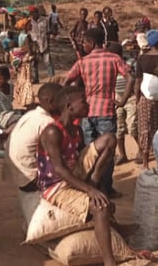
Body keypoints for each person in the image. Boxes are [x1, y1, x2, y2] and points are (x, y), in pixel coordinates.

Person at [37, 86, 119, 266]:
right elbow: (59, 169)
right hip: (56, 186)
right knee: (102, 208)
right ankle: (109, 262)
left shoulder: (77, 131)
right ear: (69, 106)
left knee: (110, 139)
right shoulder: (52, 132)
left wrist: (92, 183)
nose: (87, 104)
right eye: (83, 100)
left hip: (73, 173)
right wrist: (90, 190)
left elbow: (81, 157)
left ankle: (94, 181)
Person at [65, 28, 130, 198]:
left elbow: (67, 80)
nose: (83, 45)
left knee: (90, 151)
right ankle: (105, 187)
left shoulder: (82, 62)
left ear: (92, 43)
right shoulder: (114, 58)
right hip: (107, 110)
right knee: (107, 151)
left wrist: (69, 104)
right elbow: (131, 77)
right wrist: (122, 100)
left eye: (84, 42)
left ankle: (90, 185)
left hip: (86, 112)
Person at [125, 29, 158, 171]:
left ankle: (145, 162)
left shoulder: (142, 58)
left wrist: (137, 99)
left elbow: (138, 80)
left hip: (146, 98)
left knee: (145, 128)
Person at [5, 82, 63, 191]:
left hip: (17, 173)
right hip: (30, 178)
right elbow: (54, 159)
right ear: (51, 102)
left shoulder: (30, 115)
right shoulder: (48, 124)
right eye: (62, 101)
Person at [107, 42, 140, 166]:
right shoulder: (109, 65)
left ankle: (141, 150)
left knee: (132, 127)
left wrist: (137, 97)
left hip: (130, 98)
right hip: (116, 98)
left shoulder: (130, 63)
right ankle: (122, 155)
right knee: (119, 129)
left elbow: (135, 81)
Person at [11, 18, 35, 107]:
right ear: (25, 26)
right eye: (30, 24)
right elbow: (29, 50)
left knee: (21, 79)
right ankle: (27, 100)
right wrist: (33, 55)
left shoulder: (20, 35)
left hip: (20, 60)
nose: (31, 25)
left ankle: (20, 99)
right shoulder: (27, 37)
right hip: (26, 60)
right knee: (27, 80)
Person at [29, 6, 54, 82]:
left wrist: (48, 42)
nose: (33, 14)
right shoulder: (29, 22)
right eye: (31, 13)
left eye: (34, 12)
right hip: (34, 45)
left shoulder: (44, 21)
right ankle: (35, 79)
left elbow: (48, 32)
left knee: (48, 62)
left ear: (37, 12)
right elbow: (28, 35)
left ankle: (52, 79)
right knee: (34, 63)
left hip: (44, 44)